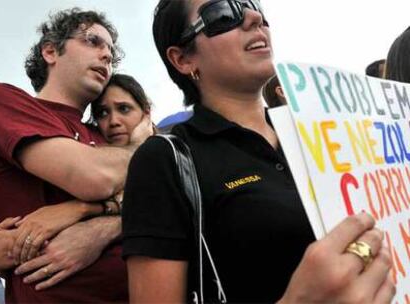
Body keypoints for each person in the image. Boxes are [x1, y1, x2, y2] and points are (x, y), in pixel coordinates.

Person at [121, 0, 395, 303]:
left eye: (253, 5)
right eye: (222, 14)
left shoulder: (324, 135)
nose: (255, 18)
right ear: (183, 59)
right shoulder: (164, 160)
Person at [0, 8, 150, 303]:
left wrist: (94, 223)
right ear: (51, 51)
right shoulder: (6, 102)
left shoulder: (106, 134)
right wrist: (141, 146)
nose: (106, 55)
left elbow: (155, 203)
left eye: (111, 51)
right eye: (93, 41)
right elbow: (95, 178)